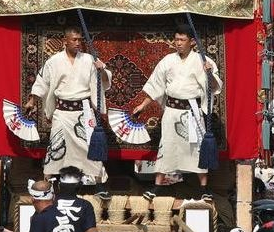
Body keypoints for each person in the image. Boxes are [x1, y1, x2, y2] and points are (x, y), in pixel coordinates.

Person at [131, 23, 223, 197]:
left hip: (192, 112)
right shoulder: (167, 60)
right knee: (166, 147)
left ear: (192, 42)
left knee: (196, 149)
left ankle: (204, 188)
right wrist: (142, 105)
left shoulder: (204, 61)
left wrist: (210, 74)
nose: (178, 43)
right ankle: (157, 186)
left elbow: (214, 87)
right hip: (172, 111)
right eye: (176, 39)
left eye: (182, 40)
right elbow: (156, 86)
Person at [23, 26, 112, 183]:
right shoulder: (54, 61)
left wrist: (102, 69)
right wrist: (32, 101)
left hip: (83, 112)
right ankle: (47, 180)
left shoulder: (89, 60)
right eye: (74, 40)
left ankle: (98, 183)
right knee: (56, 146)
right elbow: (41, 82)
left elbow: (104, 80)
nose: (78, 43)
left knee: (90, 147)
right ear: (65, 41)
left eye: (80, 40)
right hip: (62, 113)